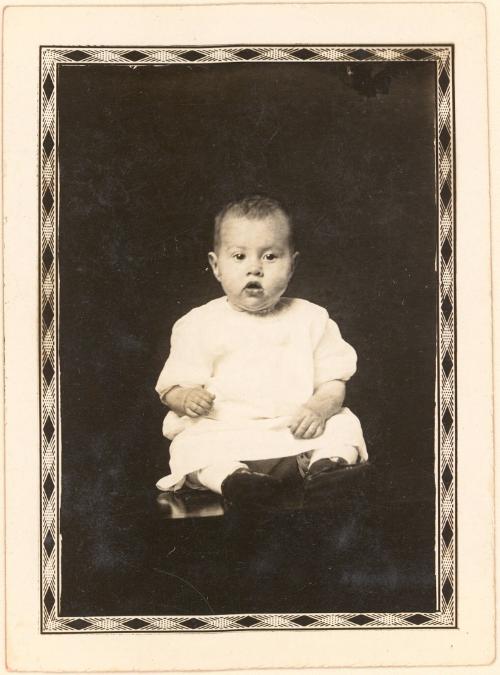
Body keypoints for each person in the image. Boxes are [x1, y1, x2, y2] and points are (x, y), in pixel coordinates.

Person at [155, 195, 368, 509]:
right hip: (227, 433)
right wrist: (185, 397)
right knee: (191, 445)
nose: (254, 268)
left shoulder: (311, 318)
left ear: (292, 265)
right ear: (216, 266)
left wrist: (318, 409)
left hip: (295, 433)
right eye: (239, 256)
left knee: (343, 424)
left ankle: (327, 469)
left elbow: (334, 383)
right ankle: (235, 480)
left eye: (270, 257)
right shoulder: (199, 323)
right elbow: (170, 388)